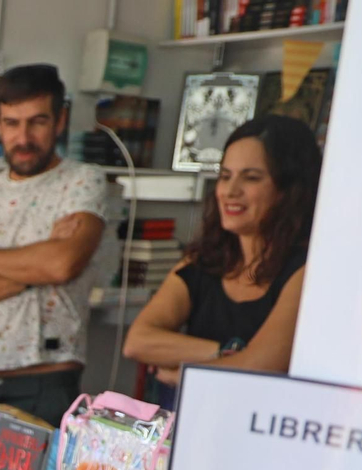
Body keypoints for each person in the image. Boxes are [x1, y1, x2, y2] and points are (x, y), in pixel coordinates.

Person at [0, 64, 108, 426]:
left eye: (37, 122)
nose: (23, 136)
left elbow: (62, 265)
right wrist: (34, 269)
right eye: (11, 123)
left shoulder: (83, 182)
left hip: (48, 379)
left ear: (60, 121)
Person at [124, 115, 321, 406]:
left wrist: (183, 374)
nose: (230, 191)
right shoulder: (203, 261)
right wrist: (225, 352)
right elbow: (138, 341)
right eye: (225, 176)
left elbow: (262, 365)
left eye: (251, 178)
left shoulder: (306, 270)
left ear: (289, 190)